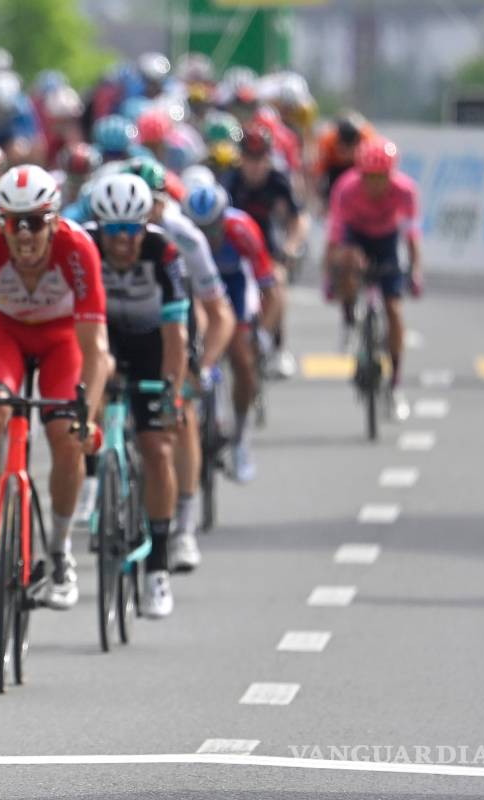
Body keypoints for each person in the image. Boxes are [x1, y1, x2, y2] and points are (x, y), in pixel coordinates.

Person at [0, 164, 108, 611]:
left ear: (54, 220)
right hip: (3, 335)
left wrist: (86, 414)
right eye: (14, 223)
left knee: (65, 434)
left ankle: (58, 552)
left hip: (61, 340)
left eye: (35, 222)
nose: (25, 235)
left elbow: (96, 348)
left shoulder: (78, 249)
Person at [85, 173, 189, 616]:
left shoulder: (163, 251)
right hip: (103, 336)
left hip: (153, 343)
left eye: (131, 229)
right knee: (87, 397)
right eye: (113, 230)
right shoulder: (85, 245)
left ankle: (159, 567)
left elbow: (177, 336)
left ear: (144, 225)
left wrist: (171, 394)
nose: (122, 241)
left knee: (157, 448)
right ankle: (94, 475)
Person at [137, 161, 236, 568]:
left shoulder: (185, 237)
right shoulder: (104, 231)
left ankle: (184, 529)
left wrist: (206, 365)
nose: (147, 216)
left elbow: (220, 313)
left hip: (176, 320)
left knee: (182, 413)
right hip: (124, 321)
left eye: (156, 204)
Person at [182, 183, 280, 484]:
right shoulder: (181, 235)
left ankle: (239, 437)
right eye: (200, 230)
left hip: (233, 287)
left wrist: (262, 332)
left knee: (241, 358)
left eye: (213, 229)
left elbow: (270, 290)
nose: (208, 237)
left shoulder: (242, 229)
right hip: (196, 289)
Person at [326, 137, 422, 420]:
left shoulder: (405, 190)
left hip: (386, 240)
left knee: (394, 309)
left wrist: (414, 272)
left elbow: (412, 236)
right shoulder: (346, 188)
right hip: (355, 236)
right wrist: (333, 276)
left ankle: (395, 385)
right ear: (361, 174)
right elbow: (335, 237)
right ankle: (348, 318)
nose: (376, 184)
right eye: (370, 177)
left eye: (382, 177)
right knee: (349, 262)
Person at [223, 123, 308, 378]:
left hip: (267, 246)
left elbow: (298, 218)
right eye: (250, 158)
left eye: (261, 158)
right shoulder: (231, 180)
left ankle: (270, 342)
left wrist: (292, 245)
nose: (255, 165)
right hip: (235, 247)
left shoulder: (279, 179)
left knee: (277, 282)